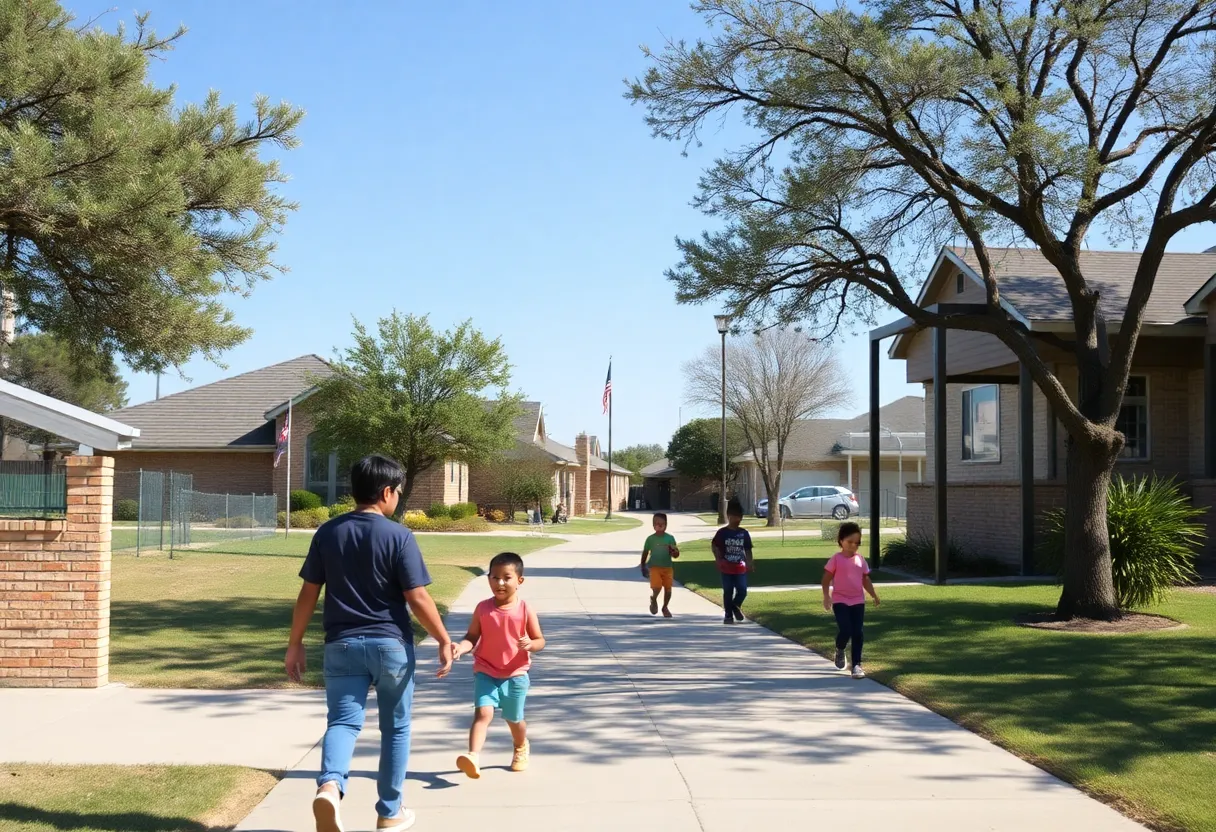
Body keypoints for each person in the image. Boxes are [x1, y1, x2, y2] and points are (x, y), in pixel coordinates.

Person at [285, 454, 455, 832]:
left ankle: (330, 786)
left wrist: (295, 643)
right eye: (398, 491)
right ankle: (390, 812)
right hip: (391, 646)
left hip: (341, 646)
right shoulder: (398, 536)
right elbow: (417, 597)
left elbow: (308, 593)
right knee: (395, 729)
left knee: (343, 723)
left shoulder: (328, 533)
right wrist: (443, 639)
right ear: (386, 492)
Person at [454, 552, 546, 779]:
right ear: (488, 579)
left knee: (513, 719)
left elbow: (540, 640)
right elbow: (472, 637)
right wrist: (461, 648)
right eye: (495, 577)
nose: (500, 583)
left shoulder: (525, 609)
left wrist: (530, 644)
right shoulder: (483, 608)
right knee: (483, 713)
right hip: (486, 670)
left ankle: (521, 745)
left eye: (507, 578)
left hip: (515, 674)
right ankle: (473, 756)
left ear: (519, 581)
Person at [822, 521, 881, 679]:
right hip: (840, 599)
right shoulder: (836, 559)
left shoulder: (860, 560)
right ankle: (840, 649)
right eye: (850, 542)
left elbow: (865, 580)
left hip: (858, 600)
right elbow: (826, 579)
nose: (853, 545)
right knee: (846, 629)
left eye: (857, 543)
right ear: (841, 540)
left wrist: (874, 595)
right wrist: (826, 596)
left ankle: (856, 665)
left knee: (858, 632)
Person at [712, 498, 753, 625]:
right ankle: (728, 615)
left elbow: (748, 549)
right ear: (729, 516)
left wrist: (750, 563)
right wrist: (717, 559)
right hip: (726, 567)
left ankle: (735, 605)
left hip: (740, 567)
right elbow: (714, 545)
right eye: (735, 517)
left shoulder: (744, 533)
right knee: (728, 591)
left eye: (740, 517)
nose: (738, 520)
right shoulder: (722, 533)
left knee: (742, 590)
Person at [640, 512, 680, 617]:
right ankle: (653, 598)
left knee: (668, 590)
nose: (659, 525)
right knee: (657, 587)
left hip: (667, 567)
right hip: (654, 567)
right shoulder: (650, 539)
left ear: (666, 525)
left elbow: (676, 554)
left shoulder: (670, 538)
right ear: (653, 525)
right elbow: (645, 552)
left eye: (662, 524)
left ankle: (665, 607)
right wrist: (643, 566)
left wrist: (674, 552)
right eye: (656, 523)